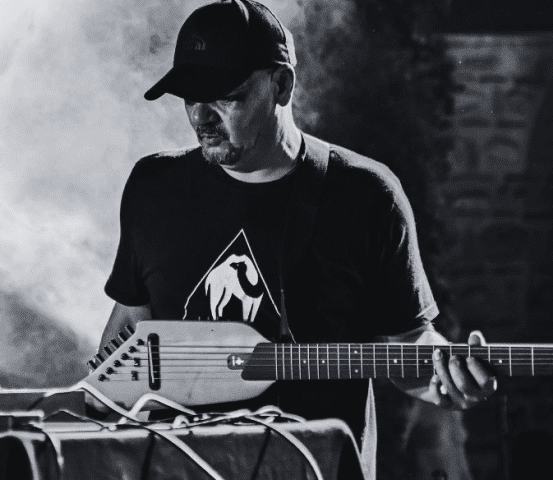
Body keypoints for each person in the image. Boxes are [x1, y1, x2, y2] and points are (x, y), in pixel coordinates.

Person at [98, 0, 496, 447]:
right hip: (178, 466)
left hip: (314, 465)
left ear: (282, 85)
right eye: (190, 97)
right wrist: (99, 414)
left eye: (226, 97)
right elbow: (129, 332)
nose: (200, 117)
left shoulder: (364, 194)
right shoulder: (154, 186)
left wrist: (447, 377)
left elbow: (407, 343)